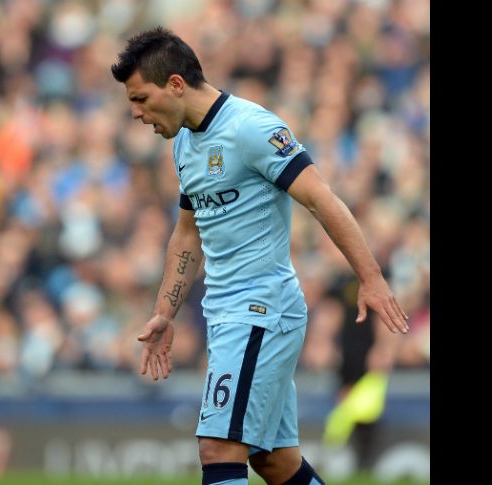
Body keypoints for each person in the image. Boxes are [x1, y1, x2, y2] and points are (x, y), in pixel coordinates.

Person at [111, 27, 409, 485]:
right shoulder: (185, 144)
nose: (136, 113)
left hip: (260, 308)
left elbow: (321, 199)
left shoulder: (252, 128)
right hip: (233, 313)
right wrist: (165, 313)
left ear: (174, 84)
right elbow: (188, 234)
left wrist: (370, 278)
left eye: (141, 99)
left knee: (217, 448)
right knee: (274, 460)